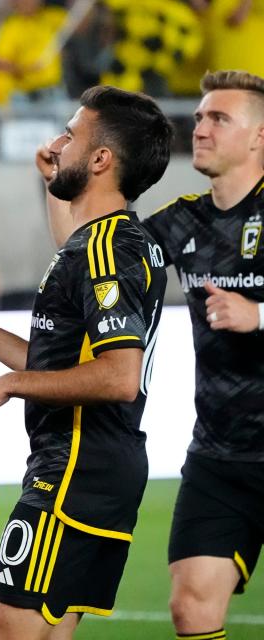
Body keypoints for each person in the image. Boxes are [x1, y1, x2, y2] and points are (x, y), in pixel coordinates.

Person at [0, 86, 172, 639]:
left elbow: (119, 375)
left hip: (75, 468)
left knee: (8, 631)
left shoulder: (108, 250)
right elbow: (65, 361)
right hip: (99, 464)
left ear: (101, 159)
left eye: (71, 133)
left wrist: (8, 384)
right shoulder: (109, 242)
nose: (57, 142)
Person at [142, 70, 263, 640]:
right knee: (191, 608)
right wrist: (60, 188)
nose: (201, 128)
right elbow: (93, 257)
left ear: (259, 138)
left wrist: (259, 315)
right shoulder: (182, 220)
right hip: (220, 453)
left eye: (220, 118)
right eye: (199, 117)